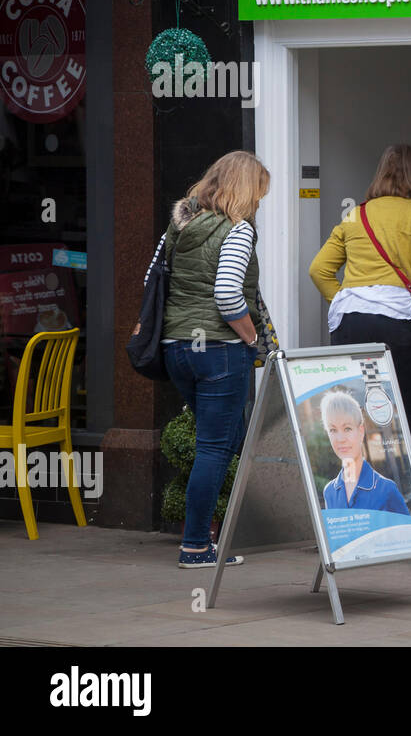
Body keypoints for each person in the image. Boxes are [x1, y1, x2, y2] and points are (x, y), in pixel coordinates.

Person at [148, 150, 270, 569]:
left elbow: (152, 280)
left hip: (177, 346)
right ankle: (196, 546)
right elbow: (226, 292)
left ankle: (211, 536)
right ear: (245, 191)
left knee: (225, 439)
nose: (259, 203)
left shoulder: (178, 226)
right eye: (259, 193)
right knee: (216, 447)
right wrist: (251, 336)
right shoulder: (238, 230)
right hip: (219, 350)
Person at [309, 145, 411, 458]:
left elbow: (319, 269)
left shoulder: (355, 214)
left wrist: (345, 299)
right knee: (410, 406)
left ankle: (361, 481)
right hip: (397, 321)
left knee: (357, 409)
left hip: (350, 322)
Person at [318, 390, 409, 514]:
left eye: (347, 428)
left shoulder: (386, 489)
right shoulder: (329, 492)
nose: (340, 439)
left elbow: (407, 532)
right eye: (333, 430)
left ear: (361, 431)